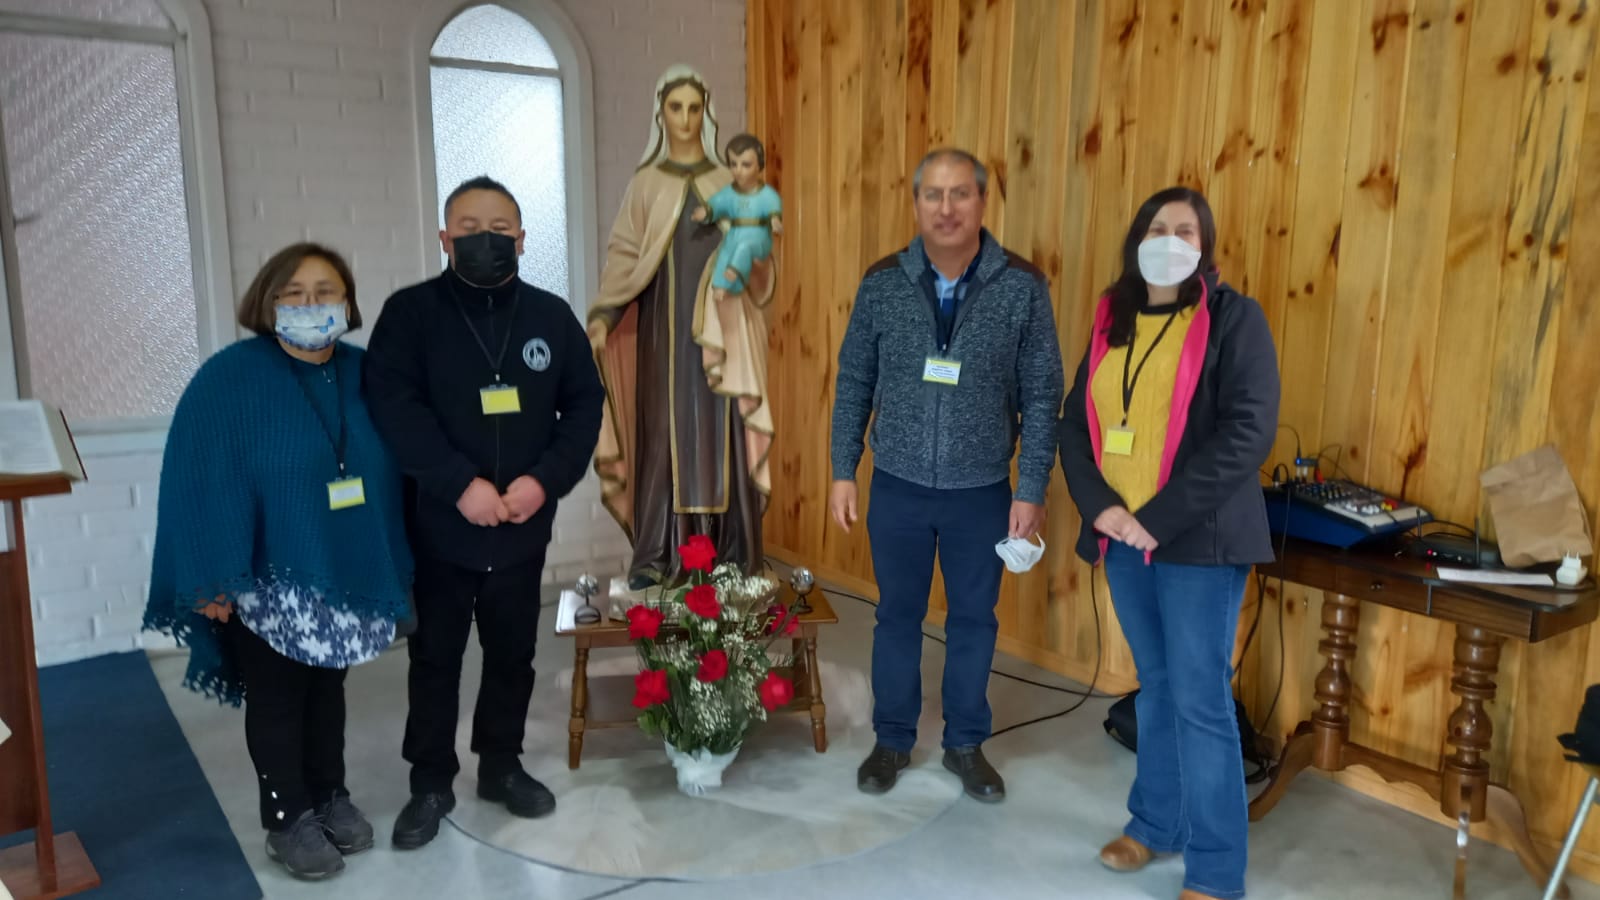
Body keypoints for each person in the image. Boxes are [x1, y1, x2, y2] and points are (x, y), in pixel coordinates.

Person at [143, 243, 413, 881]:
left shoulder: (364, 373)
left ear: (348, 302)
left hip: (340, 570)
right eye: (295, 293)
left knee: (327, 689)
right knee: (278, 696)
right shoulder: (230, 378)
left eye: (326, 292)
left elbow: (398, 463)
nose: (311, 305)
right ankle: (286, 817)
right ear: (267, 302)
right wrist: (211, 575)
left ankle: (328, 794)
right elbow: (195, 479)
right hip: (265, 577)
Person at [361, 176, 604, 850]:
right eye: (468, 229)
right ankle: (430, 780)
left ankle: (501, 764)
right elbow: (395, 408)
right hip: (442, 525)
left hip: (523, 526)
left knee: (513, 654)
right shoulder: (410, 314)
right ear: (445, 239)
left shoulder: (551, 317)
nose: (484, 239)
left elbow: (585, 404)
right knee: (435, 657)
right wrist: (458, 484)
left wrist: (544, 482)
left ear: (521, 240)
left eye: (498, 229)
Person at [1058, 186, 1279, 900]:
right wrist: (1102, 509)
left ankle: (1216, 871)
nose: (1171, 239)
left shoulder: (1234, 319)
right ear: (1137, 238)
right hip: (1122, 539)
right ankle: (1156, 824)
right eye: (1159, 227)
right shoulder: (1112, 319)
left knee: (1199, 699)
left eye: (1187, 230)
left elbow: (1247, 431)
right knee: (1155, 685)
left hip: (1197, 541)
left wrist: (1157, 517)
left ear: (1204, 246)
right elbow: (1075, 426)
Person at [829, 147, 1064, 803]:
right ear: (916, 204)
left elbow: (1043, 393)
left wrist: (1031, 487)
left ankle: (965, 743)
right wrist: (843, 468)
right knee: (896, 616)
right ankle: (892, 739)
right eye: (933, 194)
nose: (946, 207)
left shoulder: (1021, 286)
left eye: (961, 193)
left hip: (981, 492)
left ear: (982, 202)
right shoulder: (882, 283)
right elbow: (854, 381)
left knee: (973, 622)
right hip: (897, 485)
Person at [587, 64, 776, 590]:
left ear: (707, 113)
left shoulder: (729, 182)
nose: (686, 119)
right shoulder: (646, 184)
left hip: (724, 335)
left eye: (695, 108)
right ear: (660, 114)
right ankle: (658, 553)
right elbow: (626, 257)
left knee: (727, 436)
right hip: (663, 337)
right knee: (663, 436)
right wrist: (604, 316)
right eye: (676, 108)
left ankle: (732, 553)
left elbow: (760, 257)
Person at [693, 132, 783, 296]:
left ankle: (734, 273)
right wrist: (706, 212)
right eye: (734, 164)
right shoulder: (729, 193)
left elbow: (773, 207)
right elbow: (718, 203)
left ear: (759, 166)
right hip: (735, 234)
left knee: (744, 248)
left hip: (759, 238)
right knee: (724, 253)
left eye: (746, 165)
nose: (738, 171)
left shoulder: (766, 194)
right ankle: (720, 287)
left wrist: (774, 220)